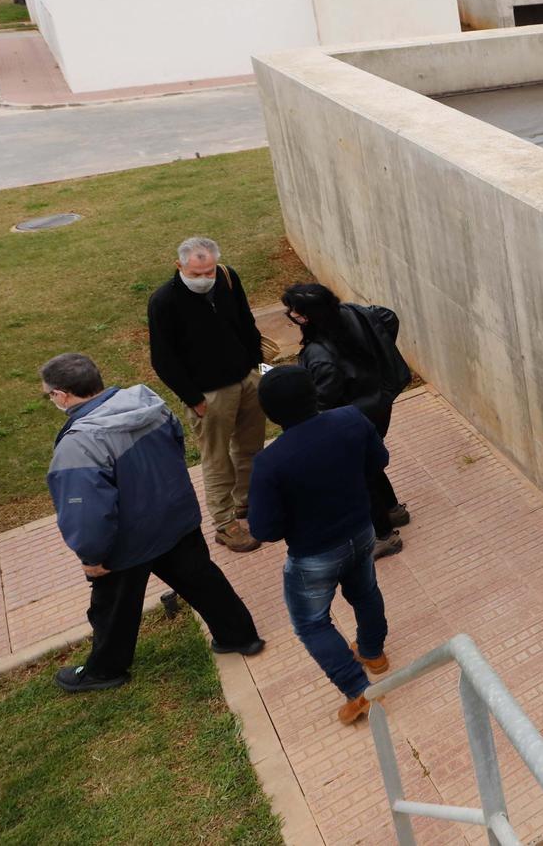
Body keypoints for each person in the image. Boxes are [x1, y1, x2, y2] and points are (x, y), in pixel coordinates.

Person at [42, 352, 264, 692]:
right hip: (177, 519)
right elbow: (177, 449)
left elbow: (86, 511)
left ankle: (105, 670)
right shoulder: (149, 402)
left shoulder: (79, 445)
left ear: (61, 395)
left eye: (49, 394)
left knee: (113, 609)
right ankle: (241, 636)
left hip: (128, 541)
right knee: (204, 581)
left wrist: (92, 556)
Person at [248, 366, 391, 726]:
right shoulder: (350, 418)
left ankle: (360, 693)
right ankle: (374, 654)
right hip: (361, 531)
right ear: (313, 394)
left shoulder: (269, 462)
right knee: (365, 591)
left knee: (312, 624)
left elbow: (263, 528)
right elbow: (380, 462)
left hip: (314, 554)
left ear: (269, 414)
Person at [146, 236, 266, 552]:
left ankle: (247, 502)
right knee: (216, 459)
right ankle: (225, 523)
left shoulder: (228, 277)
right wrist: (193, 399)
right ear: (179, 266)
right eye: (196, 274)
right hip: (209, 395)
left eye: (208, 272)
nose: (203, 279)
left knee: (251, 448)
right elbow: (163, 359)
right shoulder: (164, 302)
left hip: (247, 381)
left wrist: (257, 368)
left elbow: (246, 322)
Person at [283, 283, 412, 558]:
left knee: (359, 475)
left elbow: (321, 401)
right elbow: (388, 317)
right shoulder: (355, 312)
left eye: (293, 312)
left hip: (351, 418)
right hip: (378, 404)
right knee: (369, 461)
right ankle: (393, 510)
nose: (290, 315)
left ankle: (384, 536)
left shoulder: (320, 356)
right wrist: (382, 355)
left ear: (306, 317)